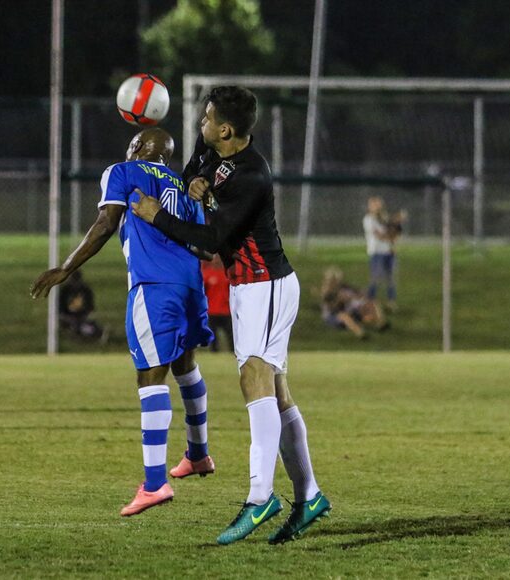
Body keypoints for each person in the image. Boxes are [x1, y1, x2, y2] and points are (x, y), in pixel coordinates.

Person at [132, 86, 330, 545]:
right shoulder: (212, 148)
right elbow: (191, 175)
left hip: (268, 284)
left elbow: (210, 241)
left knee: (253, 377)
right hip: (248, 289)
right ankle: (310, 495)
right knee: (276, 393)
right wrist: (192, 185)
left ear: (225, 129)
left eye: (205, 120)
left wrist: (156, 215)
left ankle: (260, 498)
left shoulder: (252, 176)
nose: (199, 126)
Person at [31, 128, 216, 517]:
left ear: (135, 148)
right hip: (191, 285)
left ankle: (154, 484)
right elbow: (205, 246)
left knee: (150, 378)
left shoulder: (123, 170)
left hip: (154, 287)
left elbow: (105, 223)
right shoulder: (185, 185)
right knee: (185, 366)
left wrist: (66, 268)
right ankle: (198, 453)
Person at [320, 266, 388, 339]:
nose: (335, 282)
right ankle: (360, 333)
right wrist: (340, 300)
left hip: (349, 311)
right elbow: (332, 309)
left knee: (372, 302)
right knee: (344, 316)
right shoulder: (327, 293)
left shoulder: (343, 286)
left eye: (336, 279)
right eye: (333, 280)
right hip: (334, 317)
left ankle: (381, 323)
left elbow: (359, 293)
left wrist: (360, 295)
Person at [363, 196, 404, 311]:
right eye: (374, 204)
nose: (377, 207)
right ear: (370, 206)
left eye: (379, 204)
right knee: (376, 278)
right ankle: (369, 303)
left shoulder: (384, 218)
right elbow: (379, 235)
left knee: (391, 279)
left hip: (389, 252)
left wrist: (397, 224)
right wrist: (392, 237)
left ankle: (391, 302)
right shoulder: (368, 219)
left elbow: (394, 232)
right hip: (377, 252)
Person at [58, 270, 106, 341]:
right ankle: (87, 333)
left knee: (85, 325)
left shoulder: (86, 290)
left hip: (82, 316)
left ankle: (92, 333)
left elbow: (90, 307)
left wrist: (86, 315)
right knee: (76, 325)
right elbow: (60, 308)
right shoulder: (65, 290)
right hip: (68, 317)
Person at [201, 254, 231, 352]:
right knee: (213, 334)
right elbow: (202, 291)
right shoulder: (207, 274)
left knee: (230, 333)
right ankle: (214, 352)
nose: (217, 260)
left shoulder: (228, 273)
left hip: (226, 311)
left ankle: (233, 351)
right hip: (212, 310)